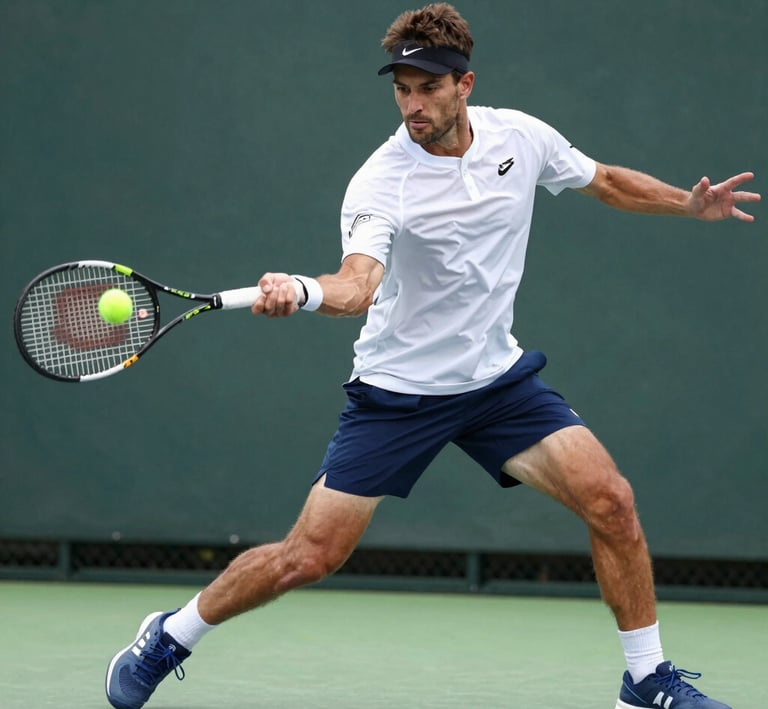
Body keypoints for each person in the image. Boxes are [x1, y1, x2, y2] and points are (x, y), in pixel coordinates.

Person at [105, 4, 760, 709]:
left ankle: (646, 678)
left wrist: (686, 205)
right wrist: (301, 289)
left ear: (464, 84)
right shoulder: (381, 182)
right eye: (402, 89)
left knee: (612, 501)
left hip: (495, 383)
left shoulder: (520, 137)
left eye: (428, 88)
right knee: (309, 557)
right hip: (399, 394)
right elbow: (357, 286)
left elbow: (603, 181)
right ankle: (172, 633)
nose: (412, 104)